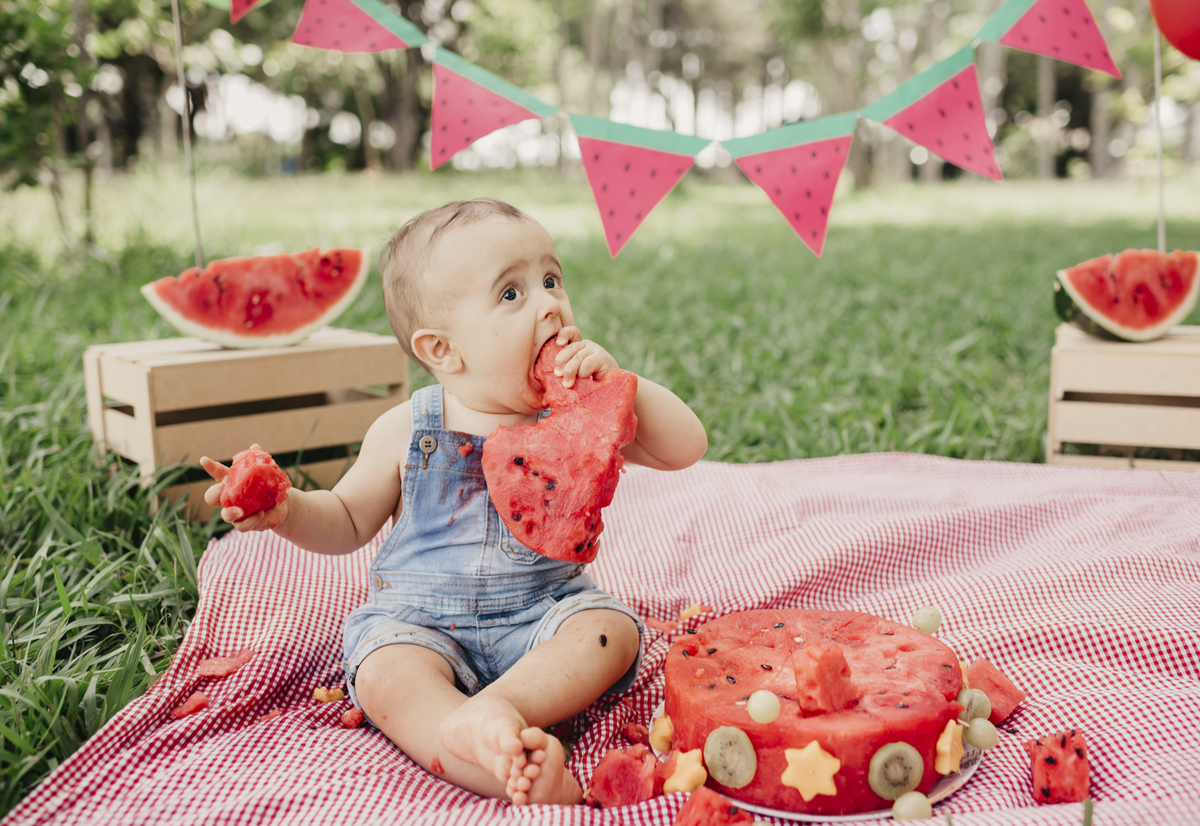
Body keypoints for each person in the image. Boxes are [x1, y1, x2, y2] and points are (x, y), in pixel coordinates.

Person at [200, 198, 707, 806]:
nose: (550, 303)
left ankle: (502, 708)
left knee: (610, 631)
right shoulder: (405, 429)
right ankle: (490, 760)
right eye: (512, 295)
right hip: (420, 625)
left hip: (542, 617)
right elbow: (348, 519)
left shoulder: (576, 415)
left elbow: (686, 447)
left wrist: (623, 385)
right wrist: (287, 511)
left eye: (551, 280)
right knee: (387, 673)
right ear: (442, 350)